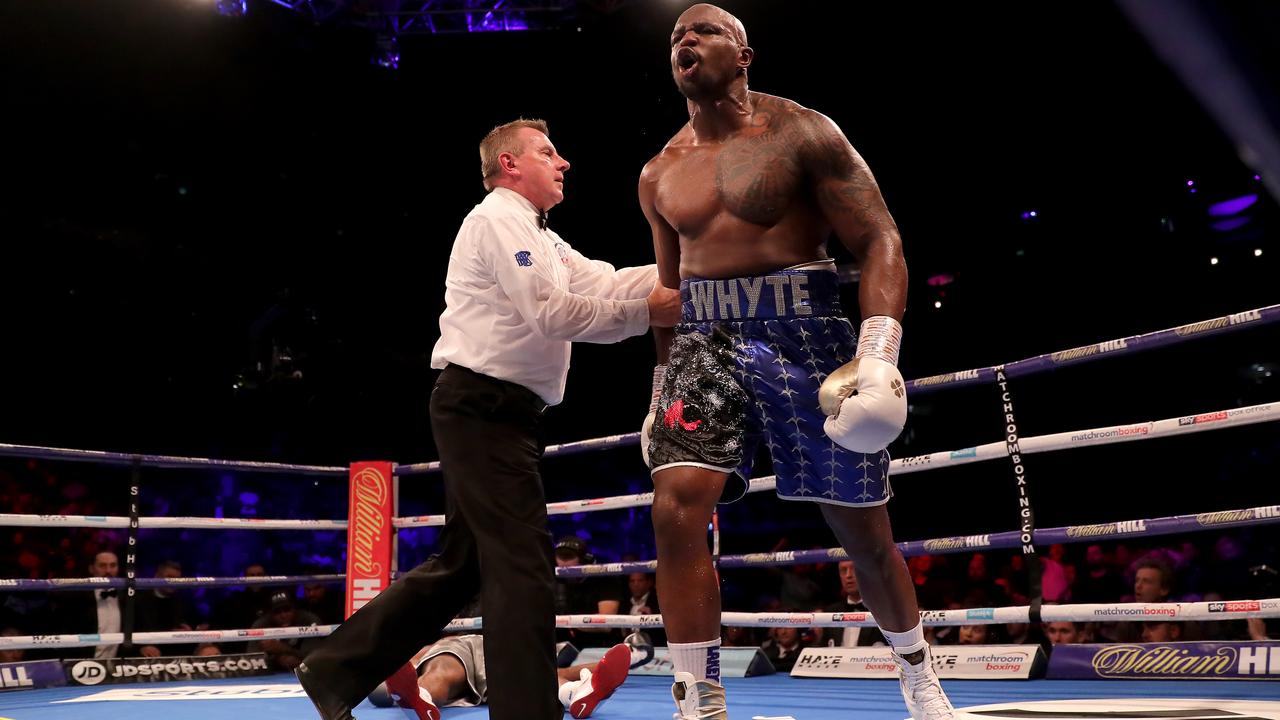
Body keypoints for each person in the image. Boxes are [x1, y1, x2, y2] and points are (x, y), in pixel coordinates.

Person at [296, 118, 681, 720]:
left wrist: (681, 278)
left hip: (498, 410)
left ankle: (334, 666)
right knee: (523, 564)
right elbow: (551, 312)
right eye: (548, 152)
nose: (564, 163)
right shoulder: (497, 219)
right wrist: (650, 312)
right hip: (483, 405)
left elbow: (603, 279)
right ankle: (527, 710)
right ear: (509, 164)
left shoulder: (539, 235)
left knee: (463, 564)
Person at [637, 5, 953, 719]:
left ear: (744, 54)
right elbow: (670, 294)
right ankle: (701, 701)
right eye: (675, 36)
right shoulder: (658, 171)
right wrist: (661, 386)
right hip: (704, 342)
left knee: (862, 532)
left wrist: (878, 351)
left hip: (804, 332)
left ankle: (918, 675)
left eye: (704, 30)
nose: (685, 40)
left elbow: (879, 240)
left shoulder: (803, 132)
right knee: (675, 506)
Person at [376, 638, 633, 720]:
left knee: (443, 672)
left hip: (472, 647)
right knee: (538, 674)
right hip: (482, 644)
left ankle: (419, 696)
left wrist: (606, 668)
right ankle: (573, 693)